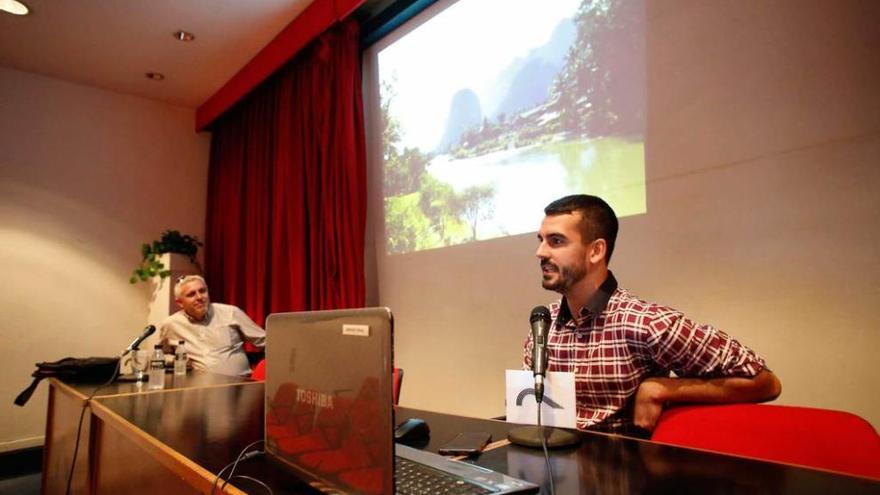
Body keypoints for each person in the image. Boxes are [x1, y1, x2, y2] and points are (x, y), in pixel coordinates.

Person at [524, 194, 781, 436]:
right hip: (551, 471)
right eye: (541, 240)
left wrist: (663, 388)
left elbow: (765, 382)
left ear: (596, 251)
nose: (541, 253)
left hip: (620, 477)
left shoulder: (647, 323)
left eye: (556, 241)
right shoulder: (543, 324)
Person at [160, 275, 266, 377]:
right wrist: (176, 360)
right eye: (191, 294)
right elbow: (160, 355)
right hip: (197, 388)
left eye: (202, 291)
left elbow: (266, 341)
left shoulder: (231, 312)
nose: (199, 297)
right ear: (180, 302)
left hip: (239, 384)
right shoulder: (171, 324)